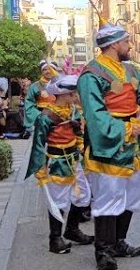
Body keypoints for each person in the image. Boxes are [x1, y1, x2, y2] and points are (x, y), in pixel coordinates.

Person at [77, 24, 140, 270]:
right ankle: (104, 251)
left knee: (131, 196)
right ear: (114, 44)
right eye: (126, 41)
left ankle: (119, 242)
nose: (130, 45)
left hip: (134, 144)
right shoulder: (91, 74)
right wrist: (125, 129)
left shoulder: (131, 69)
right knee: (109, 197)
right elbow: (94, 114)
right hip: (109, 144)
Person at [25, 74, 93, 254]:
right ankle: (55, 239)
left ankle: (72, 230)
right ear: (64, 95)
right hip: (57, 163)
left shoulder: (73, 110)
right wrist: (40, 168)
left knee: (83, 196)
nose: (76, 96)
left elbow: (78, 131)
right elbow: (38, 144)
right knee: (59, 201)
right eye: (73, 93)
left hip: (74, 161)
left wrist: (80, 146)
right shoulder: (45, 117)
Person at [24, 60, 59, 134]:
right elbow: (29, 104)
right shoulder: (35, 86)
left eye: (51, 69)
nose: (48, 71)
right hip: (41, 119)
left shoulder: (62, 85)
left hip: (60, 118)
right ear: (41, 71)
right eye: (45, 69)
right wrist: (39, 116)